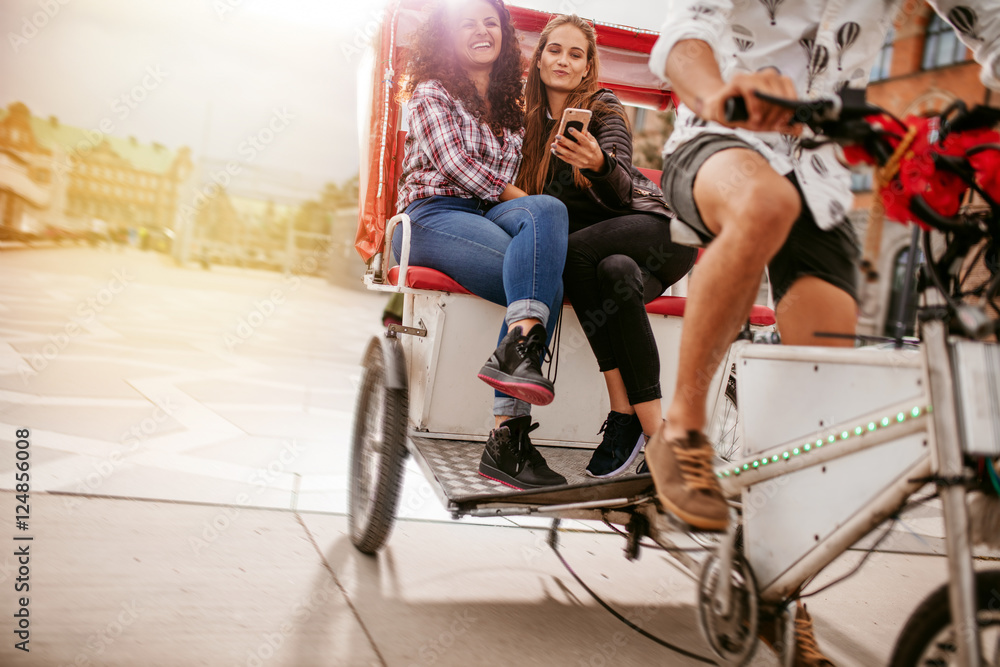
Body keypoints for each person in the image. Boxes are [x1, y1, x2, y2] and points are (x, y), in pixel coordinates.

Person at [647, 1, 1000, 664]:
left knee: (817, 413)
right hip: (717, 135)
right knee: (764, 203)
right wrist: (721, 91)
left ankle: (782, 598)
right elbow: (688, 30)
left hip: (818, 170)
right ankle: (682, 429)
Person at [393, 0, 570, 490]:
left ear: (503, 35)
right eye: (467, 23)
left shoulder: (510, 105)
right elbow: (459, 168)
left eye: (490, 22)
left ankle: (516, 350)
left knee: (550, 213)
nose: (481, 30)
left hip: (485, 214)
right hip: (433, 214)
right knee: (542, 274)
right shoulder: (430, 92)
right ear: (446, 38)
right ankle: (507, 437)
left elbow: (508, 184)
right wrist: (520, 198)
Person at [517, 14, 697, 478]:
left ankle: (622, 415)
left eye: (575, 54)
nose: (563, 60)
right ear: (538, 61)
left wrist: (599, 162)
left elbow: (619, 176)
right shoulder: (527, 127)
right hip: (611, 261)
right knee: (614, 272)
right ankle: (659, 441)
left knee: (576, 250)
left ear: (587, 67)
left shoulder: (604, 107)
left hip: (657, 232)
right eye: (554, 50)